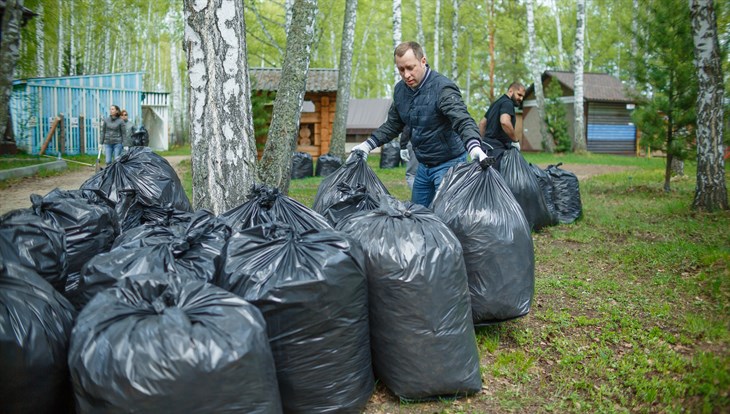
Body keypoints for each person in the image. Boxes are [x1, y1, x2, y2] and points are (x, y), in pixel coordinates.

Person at [349, 41, 487, 207]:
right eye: (401, 69)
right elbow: (393, 124)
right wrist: (367, 145)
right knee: (418, 215)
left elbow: (462, 119)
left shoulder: (442, 88)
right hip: (423, 165)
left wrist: (474, 146)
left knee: (447, 217)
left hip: (449, 164)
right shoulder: (401, 91)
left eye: (410, 67)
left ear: (423, 61)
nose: (406, 75)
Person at [478, 82, 525, 169]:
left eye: (522, 96)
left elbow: (482, 124)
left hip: (487, 149)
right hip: (497, 151)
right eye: (519, 95)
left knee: (487, 179)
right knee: (499, 180)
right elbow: (505, 122)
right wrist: (515, 141)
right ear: (511, 91)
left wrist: (481, 145)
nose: (521, 98)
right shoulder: (508, 103)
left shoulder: (496, 103)